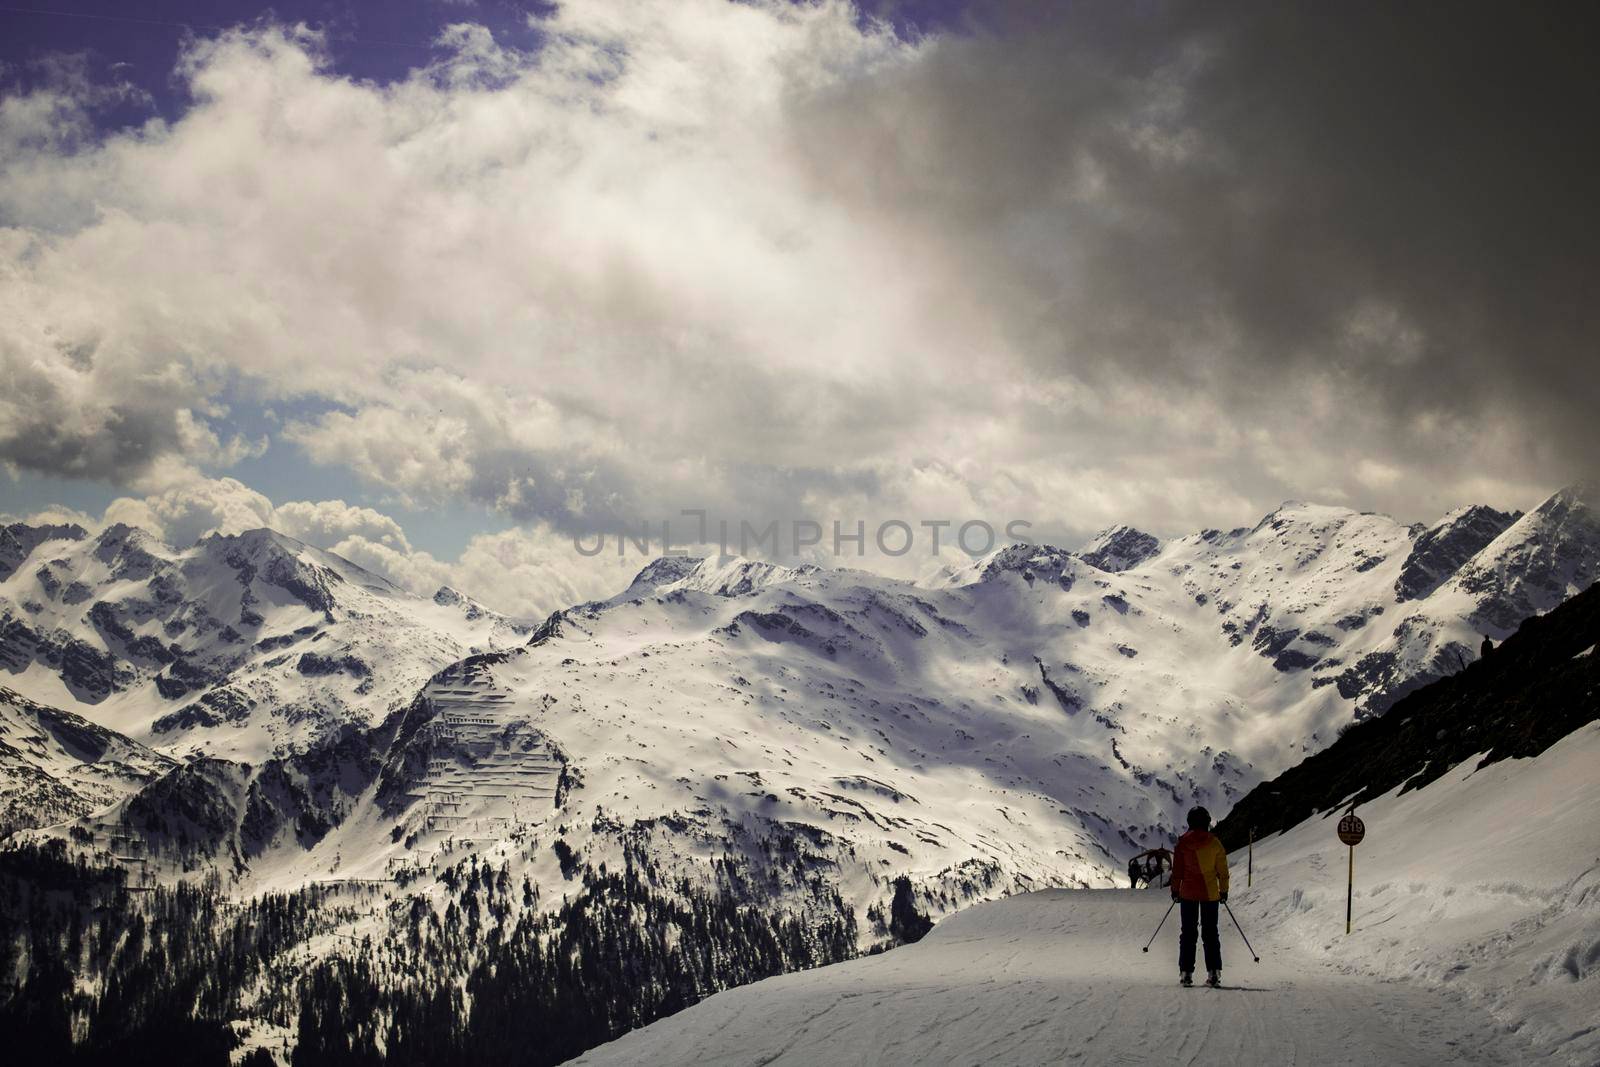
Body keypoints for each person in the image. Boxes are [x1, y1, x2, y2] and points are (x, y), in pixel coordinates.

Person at [1171, 805, 1230, 987]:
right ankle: (1214, 973)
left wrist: (1175, 890)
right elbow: (1223, 871)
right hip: (1210, 894)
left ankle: (1186, 973)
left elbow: (1177, 871)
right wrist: (1223, 891)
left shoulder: (1182, 843)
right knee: (1210, 933)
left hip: (1188, 893)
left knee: (1188, 933)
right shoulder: (1215, 843)